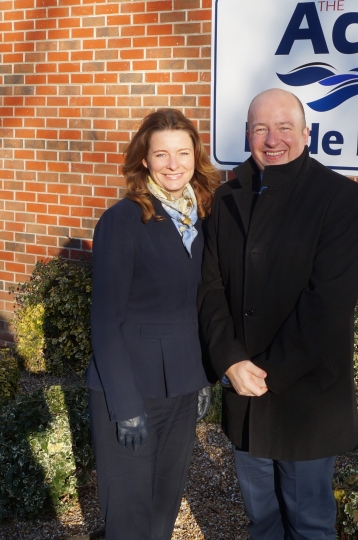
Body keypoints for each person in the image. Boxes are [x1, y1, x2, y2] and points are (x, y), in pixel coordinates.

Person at [198, 88, 358, 539]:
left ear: (307, 134)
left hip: (305, 397)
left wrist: (265, 374)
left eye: (284, 128)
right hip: (244, 390)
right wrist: (230, 362)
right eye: (260, 129)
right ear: (247, 135)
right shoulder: (228, 197)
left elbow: (327, 304)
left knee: (309, 523)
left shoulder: (338, 197)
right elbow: (210, 287)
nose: (272, 139)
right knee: (262, 522)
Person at [87, 108, 219, 540]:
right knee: (128, 517)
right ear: (144, 159)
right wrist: (125, 406)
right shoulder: (122, 221)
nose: (173, 164)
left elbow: (197, 306)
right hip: (130, 389)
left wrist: (203, 378)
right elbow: (106, 322)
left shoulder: (199, 219)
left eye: (183, 153)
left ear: (195, 156)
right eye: (161, 154)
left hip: (181, 387)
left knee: (164, 508)